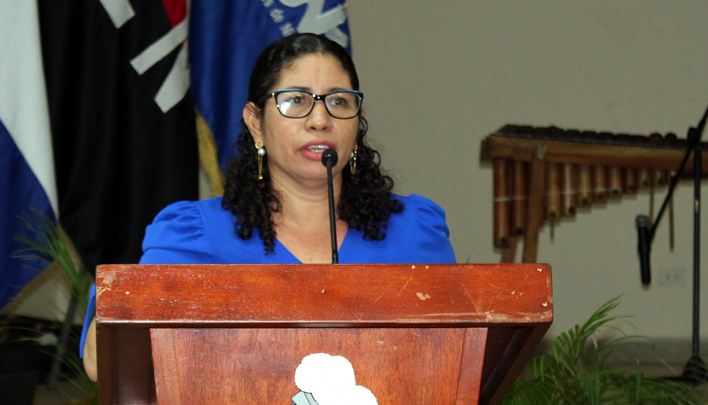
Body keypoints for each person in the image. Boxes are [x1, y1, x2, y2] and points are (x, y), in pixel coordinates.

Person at [81, 33, 455, 381]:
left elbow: (456, 358)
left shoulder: (414, 231)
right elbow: (106, 362)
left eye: (339, 101)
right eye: (296, 101)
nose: (320, 120)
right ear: (255, 122)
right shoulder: (195, 236)